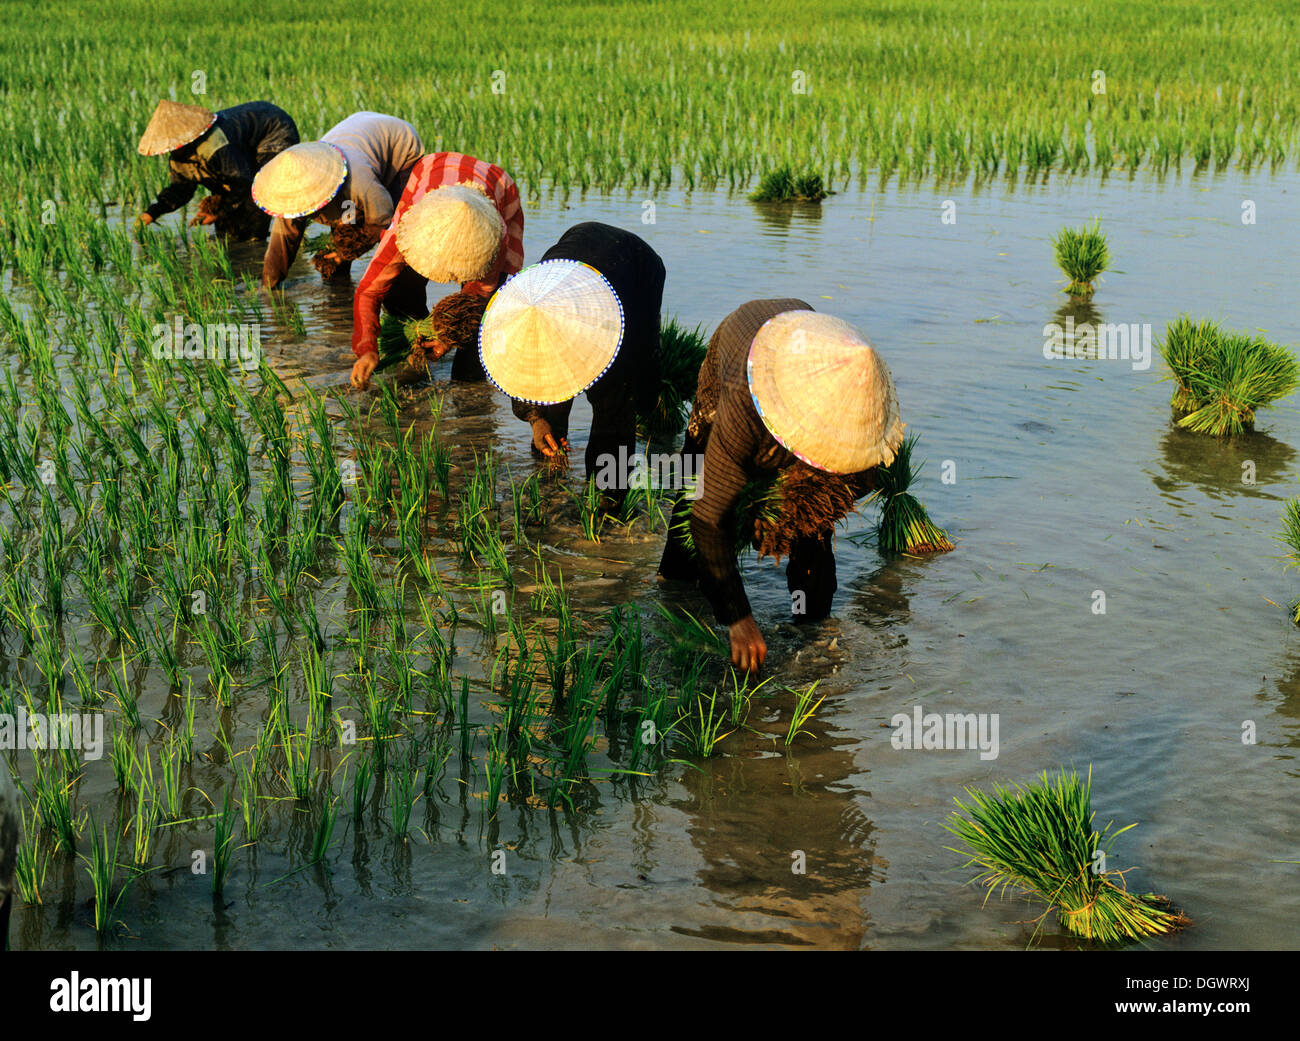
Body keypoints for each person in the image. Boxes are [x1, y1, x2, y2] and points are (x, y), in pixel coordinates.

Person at [657, 301, 905, 672]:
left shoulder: (866, 398)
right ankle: (673, 587)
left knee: (813, 523)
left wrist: (790, 514)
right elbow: (707, 519)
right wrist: (737, 618)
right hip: (740, 344)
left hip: (809, 340)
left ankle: (812, 628)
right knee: (695, 479)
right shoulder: (741, 405)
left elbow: (866, 479)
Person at [477, 222, 664, 503]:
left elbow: (615, 388)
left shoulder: (602, 326)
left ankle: (608, 499)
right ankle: (549, 470)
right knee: (547, 399)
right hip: (577, 249)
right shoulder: (520, 311)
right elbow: (523, 375)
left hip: (636, 268)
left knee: (615, 400)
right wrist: (536, 419)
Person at [348, 152, 524, 389]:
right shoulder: (403, 232)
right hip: (432, 169)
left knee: (478, 324)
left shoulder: (494, 237)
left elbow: (476, 296)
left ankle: (469, 395)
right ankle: (415, 356)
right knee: (398, 291)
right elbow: (369, 291)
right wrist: (367, 348)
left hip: (496, 186)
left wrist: (447, 337)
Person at [252, 111, 424, 288]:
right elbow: (282, 243)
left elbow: (383, 220)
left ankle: (405, 291)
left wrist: (345, 254)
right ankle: (341, 288)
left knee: (399, 233)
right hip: (356, 133)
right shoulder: (292, 199)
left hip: (398, 143)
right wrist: (269, 287)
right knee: (345, 228)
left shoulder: (358, 181)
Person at [135, 99, 299, 240]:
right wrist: (152, 213)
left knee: (258, 197)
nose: (171, 150)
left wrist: (218, 211)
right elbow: (181, 190)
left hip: (274, 130)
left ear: (185, 139)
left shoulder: (214, 145)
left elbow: (243, 182)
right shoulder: (178, 159)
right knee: (225, 232)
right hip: (243, 149)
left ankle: (266, 243)